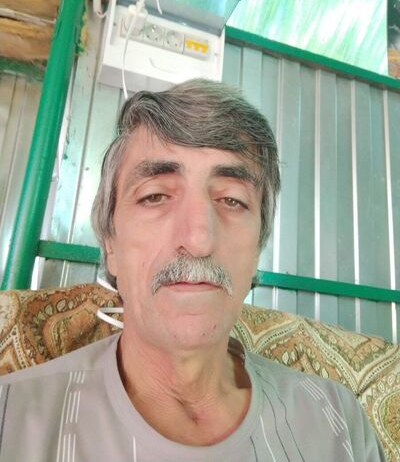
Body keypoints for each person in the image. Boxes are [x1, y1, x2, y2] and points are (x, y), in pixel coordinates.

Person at [0, 79, 386, 461]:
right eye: (155, 196)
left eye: (232, 200)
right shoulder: (11, 418)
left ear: (258, 249)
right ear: (110, 243)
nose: (199, 239)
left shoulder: (337, 421)